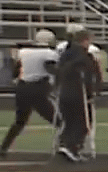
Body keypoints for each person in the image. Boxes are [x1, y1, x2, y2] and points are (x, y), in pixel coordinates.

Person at [0, 29, 59, 158]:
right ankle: (64, 149)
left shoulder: (24, 52)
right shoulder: (49, 53)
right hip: (38, 88)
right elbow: (51, 68)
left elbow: (16, 72)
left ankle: (3, 147)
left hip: (22, 88)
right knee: (58, 120)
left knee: (19, 121)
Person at [52, 25, 101, 163]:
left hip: (64, 91)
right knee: (84, 122)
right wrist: (93, 93)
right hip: (78, 92)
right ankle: (72, 147)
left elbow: (58, 71)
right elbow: (89, 75)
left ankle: (65, 145)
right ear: (84, 40)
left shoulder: (65, 54)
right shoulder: (84, 55)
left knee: (69, 121)